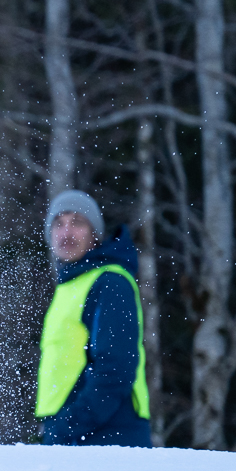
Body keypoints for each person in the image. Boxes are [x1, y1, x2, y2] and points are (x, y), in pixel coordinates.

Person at [35, 190, 152, 447]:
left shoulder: (109, 282)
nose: (66, 233)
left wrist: (70, 425)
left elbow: (116, 368)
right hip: (74, 434)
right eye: (59, 223)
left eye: (77, 222)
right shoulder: (69, 286)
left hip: (108, 435)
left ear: (94, 234)